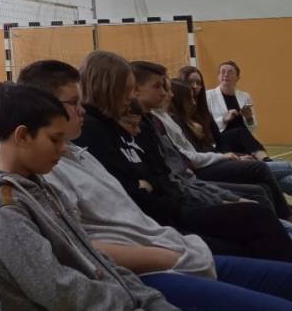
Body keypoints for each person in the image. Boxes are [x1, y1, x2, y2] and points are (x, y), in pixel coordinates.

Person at [21, 59, 292, 311]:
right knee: (255, 209)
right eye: (73, 102)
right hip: (158, 256)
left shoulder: (82, 153)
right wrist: (171, 255)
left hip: (167, 239)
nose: (80, 109)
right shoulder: (52, 165)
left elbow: (157, 182)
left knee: (258, 206)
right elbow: (78, 249)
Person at [0, 83, 177, 310]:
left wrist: (146, 298)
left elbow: (95, 258)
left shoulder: (40, 188)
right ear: (22, 135)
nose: (63, 148)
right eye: (55, 139)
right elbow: (58, 291)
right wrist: (129, 301)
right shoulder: (2, 210)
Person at [75, 50, 292, 263]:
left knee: (259, 201)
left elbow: (158, 175)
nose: (166, 94)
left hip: (176, 197)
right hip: (169, 208)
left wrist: (222, 158)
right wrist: (220, 164)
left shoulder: (143, 122)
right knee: (257, 197)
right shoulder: (99, 129)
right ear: (108, 87)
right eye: (128, 89)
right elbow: (139, 185)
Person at [131, 62, 287, 218]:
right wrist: (224, 123)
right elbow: (186, 158)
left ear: (238, 77)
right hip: (198, 166)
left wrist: (248, 120)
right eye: (223, 71)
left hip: (208, 158)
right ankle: (283, 214)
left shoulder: (236, 98)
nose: (195, 87)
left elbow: (244, 130)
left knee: (265, 176)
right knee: (264, 172)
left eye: (198, 83)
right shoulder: (168, 118)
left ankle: (280, 211)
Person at [208, 62, 271, 155]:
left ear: (237, 78)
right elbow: (205, 125)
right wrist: (224, 119)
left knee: (243, 134)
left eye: (230, 72)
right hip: (221, 139)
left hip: (243, 139)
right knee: (240, 132)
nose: (226, 74)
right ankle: (264, 158)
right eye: (223, 72)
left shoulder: (245, 96)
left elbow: (252, 128)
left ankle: (262, 158)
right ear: (218, 76)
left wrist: (249, 118)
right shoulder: (208, 96)